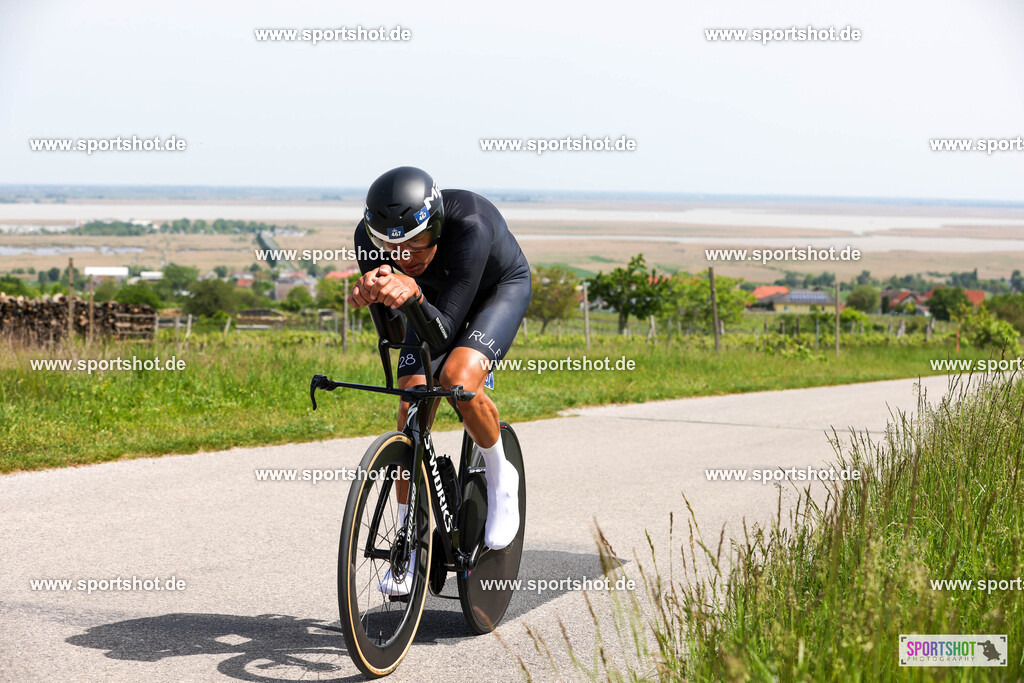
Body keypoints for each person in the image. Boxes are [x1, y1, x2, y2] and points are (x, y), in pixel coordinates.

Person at [347, 166, 531, 595]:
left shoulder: (470, 224)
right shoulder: (370, 239)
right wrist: (375, 297)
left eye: (415, 241)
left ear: (437, 225)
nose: (404, 255)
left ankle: (503, 478)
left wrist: (410, 292)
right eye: (391, 246)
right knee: (410, 403)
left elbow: (444, 334)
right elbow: (395, 337)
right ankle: (412, 544)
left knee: (457, 379)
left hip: (494, 292)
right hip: (430, 303)